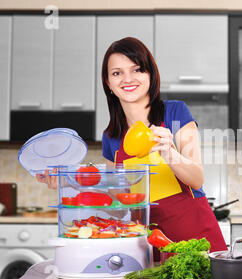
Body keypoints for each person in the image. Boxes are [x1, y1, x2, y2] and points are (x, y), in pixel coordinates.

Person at [37, 37, 227, 257]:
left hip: (197, 238)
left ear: (150, 75)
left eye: (136, 69)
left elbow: (197, 178)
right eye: (117, 73)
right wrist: (70, 184)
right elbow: (119, 208)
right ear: (108, 83)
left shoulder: (175, 113)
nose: (127, 79)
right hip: (150, 245)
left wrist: (169, 153)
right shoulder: (111, 137)